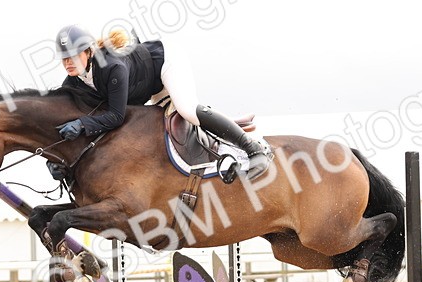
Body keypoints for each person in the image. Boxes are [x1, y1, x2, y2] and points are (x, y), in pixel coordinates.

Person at [51, 24, 272, 179]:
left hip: (165, 63)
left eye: (73, 55)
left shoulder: (111, 68)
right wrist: (55, 161)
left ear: (88, 52)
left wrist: (81, 125)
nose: (68, 62)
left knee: (187, 111)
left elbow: (116, 116)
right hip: (148, 86)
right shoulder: (72, 83)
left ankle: (253, 149)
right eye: (64, 57)